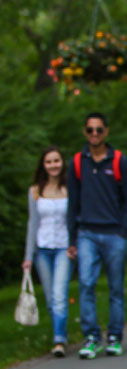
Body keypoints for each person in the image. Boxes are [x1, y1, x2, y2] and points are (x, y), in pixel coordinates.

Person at [67, 112, 127, 360]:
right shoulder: (77, 162)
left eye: (98, 129)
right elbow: (72, 203)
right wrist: (72, 238)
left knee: (116, 288)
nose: (94, 134)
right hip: (86, 232)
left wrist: (124, 230)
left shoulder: (119, 161)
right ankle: (91, 337)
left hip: (114, 233)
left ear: (106, 131)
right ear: (84, 132)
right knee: (86, 284)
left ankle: (115, 336)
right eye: (90, 130)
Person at [23, 146, 72, 357]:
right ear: (43, 165)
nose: (53, 165)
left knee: (60, 295)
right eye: (49, 162)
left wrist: (75, 244)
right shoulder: (35, 191)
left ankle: (59, 340)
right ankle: (60, 331)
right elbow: (32, 224)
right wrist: (28, 256)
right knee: (51, 297)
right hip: (42, 249)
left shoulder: (70, 188)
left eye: (56, 161)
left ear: (62, 163)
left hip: (64, 248)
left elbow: (74, 219)